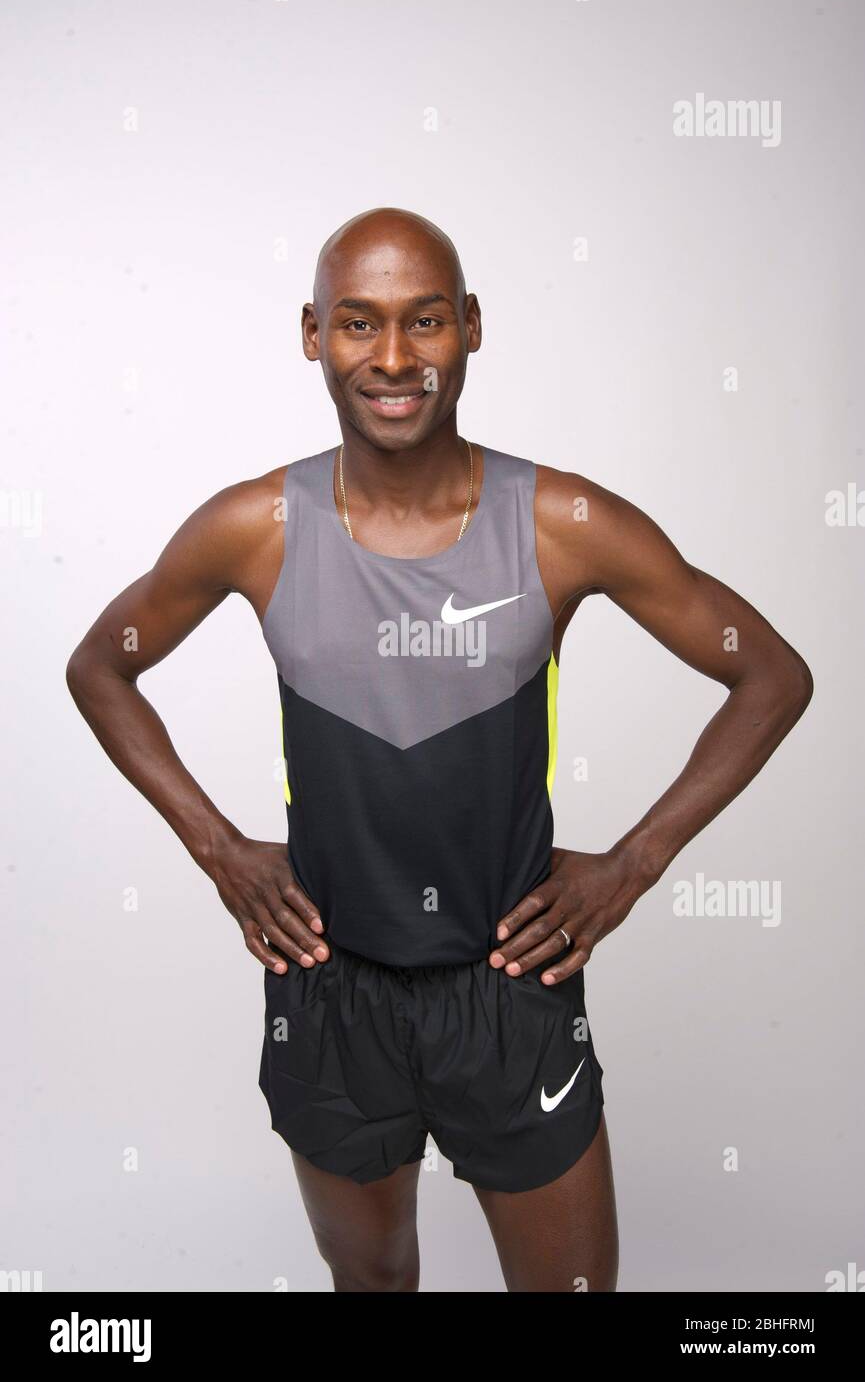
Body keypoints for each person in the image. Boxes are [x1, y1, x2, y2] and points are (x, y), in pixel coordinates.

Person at [66, 206, 813, 1293]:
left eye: (423, 321)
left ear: (468, 326)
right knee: (373, 1284)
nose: (394, 358)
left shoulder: (560, 522)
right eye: (359, 324)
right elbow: (101, 665)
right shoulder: (253, 528)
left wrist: (633, 864)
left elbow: (770, 674)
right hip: (330, 988)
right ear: (312, 334)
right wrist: (219, 849)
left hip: (509, 988)